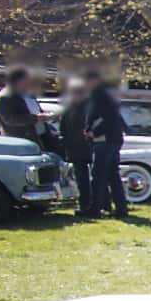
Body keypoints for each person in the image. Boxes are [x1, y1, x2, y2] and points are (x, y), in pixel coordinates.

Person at [81, 69, 128, 218]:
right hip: (114, 139)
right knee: (113, 175)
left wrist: (93, 132)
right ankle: (121, 208)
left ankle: (95, 208)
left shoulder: (99, 96)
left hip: (104, 140)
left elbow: (105, 119)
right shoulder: (107, 96)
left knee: (98, 175)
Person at [56, 77, 95, 216]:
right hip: (79, 147)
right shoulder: (73, 108)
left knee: (90, 177)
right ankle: (88, 204)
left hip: (85, 146)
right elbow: (63, 128)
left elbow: (64, 128)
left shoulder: (82, 107)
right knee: (85, 178)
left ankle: (91, 205)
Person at [0, 66, 48, 146]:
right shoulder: (5, 97)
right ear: (18, 80)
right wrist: (36, 118)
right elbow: (10, 119)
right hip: (21, 141)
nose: (30, 82)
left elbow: (37, 110)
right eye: (27, 79)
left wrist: (47, 116)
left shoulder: (28, 94)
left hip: (39, 137)